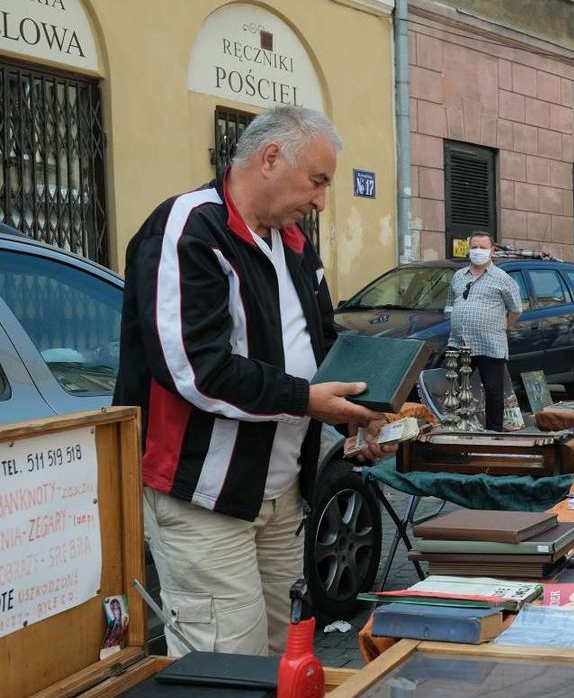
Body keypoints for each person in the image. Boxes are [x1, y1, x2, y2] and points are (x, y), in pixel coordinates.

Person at [115, 106, 389, 656]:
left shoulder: (291, 244)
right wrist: (307, 401)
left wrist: (368, 407)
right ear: (269, 159)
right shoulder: (189, 226)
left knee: (285, 652)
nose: (319, 201)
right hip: (206, 497)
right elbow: (197, 368)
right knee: (225, 665)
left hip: (281, 493)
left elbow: (322, 345)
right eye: (317, 182)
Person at [446, 231, 523, 431]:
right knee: (455, 389)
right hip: (459, 344)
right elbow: (450, 304)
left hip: (490, 344)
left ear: (492, 250)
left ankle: (494, 433)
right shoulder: (458, 276)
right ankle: (456, 428)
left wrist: (501, 327)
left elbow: (516, 309)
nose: (477, 251)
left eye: (482, 247)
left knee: (493, 392)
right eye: (474, 247)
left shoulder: (502, 278)